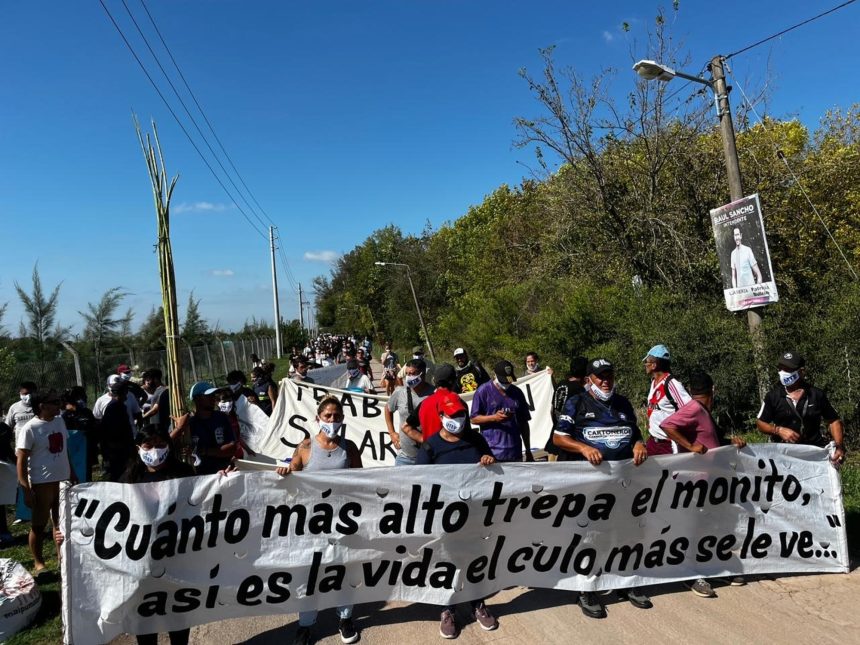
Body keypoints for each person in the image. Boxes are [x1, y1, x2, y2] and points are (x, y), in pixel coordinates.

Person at [552, 358, 650, 617]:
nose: (605, 380)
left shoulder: (623, 403)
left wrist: (640, 444)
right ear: (589, 380)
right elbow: (558, 437)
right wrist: (583, 447)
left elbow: (635, 432)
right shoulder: (576, 403)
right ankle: (586, 588)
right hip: (591, 486)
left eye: (609, 375)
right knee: (590, 536)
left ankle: (626, 582)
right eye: (600, 376)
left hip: (624, 482)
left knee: (627, 532)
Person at [276, 396, 361, 645]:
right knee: (310, 575)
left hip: (344, 524)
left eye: (337, 416)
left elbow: (365, 483)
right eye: (328, 416)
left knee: (344, 572)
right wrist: (284, 472)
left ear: (343, 419)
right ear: (318, 418)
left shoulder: (350, 448)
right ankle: (305, 624)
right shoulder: (305, 448)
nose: (332, 421)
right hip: (312, 525)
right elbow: (292, 475)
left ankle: (345, 618)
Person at [415, 390, 499, 638]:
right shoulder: (431, 445)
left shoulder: (475, 440)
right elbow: (420, 481)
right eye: (453, 415)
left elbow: (492, 465)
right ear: (441, 416)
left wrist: (488, 460)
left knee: (474, 559)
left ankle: (477, 603)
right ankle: (447, 609)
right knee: (447, 561)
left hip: (474, 513)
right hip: (444, 516)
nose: (459, 419)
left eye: (462, 414)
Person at [659, 370, 747, 598]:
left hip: (708, 483)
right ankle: (689, 573)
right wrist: (689, 447)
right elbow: (667, 425)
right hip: (693, 484)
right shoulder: (694, 409)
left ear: (691, 391)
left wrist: (730, 442)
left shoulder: (704, 412)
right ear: (713, 390)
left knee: (709, 527)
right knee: (692, 527)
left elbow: (710, 441)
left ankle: (710, 566)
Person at [121, 425, 195, 645]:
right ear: (139, 448)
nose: (155, 450)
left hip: (178, 558)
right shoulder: (128, 479)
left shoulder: (184, 474)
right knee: (144, 619)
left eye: (160, 444)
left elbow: (204, 501)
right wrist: (69, 533)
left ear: (169, 446)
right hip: (142, 562)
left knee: (178, 616)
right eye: (148, 445)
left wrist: (223, 482)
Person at [16, 389, 78, 574]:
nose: (58, 404)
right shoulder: (30, 428)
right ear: (42, 406)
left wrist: (72, 471)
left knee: (61, 522)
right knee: (39, 524)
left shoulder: (59, 421)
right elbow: (21, 459)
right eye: (54, 401)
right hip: (42, 482)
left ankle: (62, 558)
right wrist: (25, 487)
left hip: (63, 479)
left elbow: (64, 450)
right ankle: (39, 562)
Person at [756, 351, 845, 465]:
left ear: (801, 372)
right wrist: (778, 430)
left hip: (814, 454)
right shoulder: (773, 396)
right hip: (783, 456)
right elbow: (760, 423)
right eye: (780, 368)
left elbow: (833, 420)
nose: (783, 372)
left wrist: (839, 446)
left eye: (788, 369)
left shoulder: (816, 394)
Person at [470, 360, 534, 463]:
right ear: (495, 375)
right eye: (503, 381)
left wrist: (528, 450)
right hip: (492, 454)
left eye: (509, 381)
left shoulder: (517, 392)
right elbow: (473, 419)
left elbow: (524, 423)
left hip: (515, 451)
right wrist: (494, 418)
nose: (507, 384)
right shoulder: (483, 391)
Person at [643, 344, 691, 456]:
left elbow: (691, 410)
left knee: (672, 474)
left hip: (669, 445)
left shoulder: (672, 384)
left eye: (647, 362)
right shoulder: (653, 382)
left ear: (654, 365)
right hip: (653, 441)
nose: (645, 365)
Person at [385, 359, 435, 466]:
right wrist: (392, 433)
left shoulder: (434, 393)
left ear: (423, 374)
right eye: (407, 373)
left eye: (413, 374)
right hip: (405, 457)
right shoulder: (399, 392)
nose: (409, 377)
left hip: (430, 456)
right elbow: (388, 409)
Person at [186, 381, 237, 475]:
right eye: (208, 395)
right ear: (197, 399)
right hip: (203, 475)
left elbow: (232, 447)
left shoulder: (221, 417)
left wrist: (204, 451)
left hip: (227, 471)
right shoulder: (189, 424)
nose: (213, 398)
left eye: (213, 395)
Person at [98, 378, 137, 482]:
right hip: (117, 451)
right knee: (119, 476)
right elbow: (115, 431)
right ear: (123, 393)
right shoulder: (114, 408)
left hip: (119, 449)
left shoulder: (118, 406)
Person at [141, 368, 170, 433]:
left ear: (156, 379)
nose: (148, 382)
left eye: (149, 379)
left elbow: (155, 409)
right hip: (155, 425)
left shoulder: (163, 391)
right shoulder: (157, 390)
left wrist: (142, 418)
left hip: (161, 426)